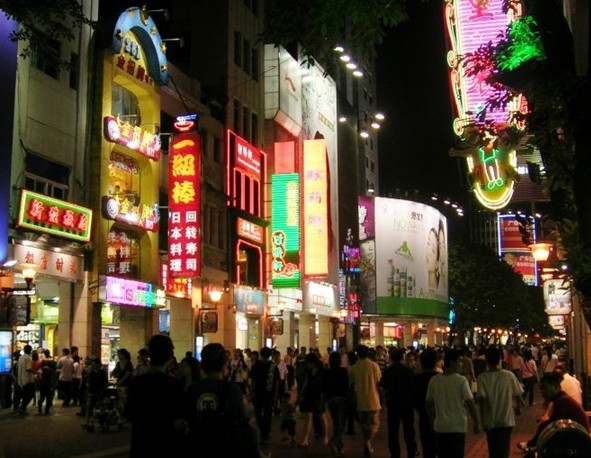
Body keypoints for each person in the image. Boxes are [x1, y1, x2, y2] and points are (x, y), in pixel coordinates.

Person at [186, 342, 265, 457]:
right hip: (224, 444)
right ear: (224, 364)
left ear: (202, 364)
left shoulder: (192, 389)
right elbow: (241, 420)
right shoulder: (231, 389)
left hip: (198, 443)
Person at [123, 334, 187, 457]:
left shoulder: (136, 382)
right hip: (166, 445)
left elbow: (128, 413)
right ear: (170, 356)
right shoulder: (173, 385)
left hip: (141, 444)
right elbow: (179, 421)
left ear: (150, 354)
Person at [517, 373, 590, 456]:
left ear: (555, 386)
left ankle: (531, 445)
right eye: (541, 389)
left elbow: (555, 423)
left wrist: (541, 429)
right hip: (576, 435)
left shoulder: (562, 401)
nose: (543, 392)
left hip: (579, 438)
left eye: (545, 388)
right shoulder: (562, 399)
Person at [426, 348, 481, 458]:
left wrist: (432, 422)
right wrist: (476, 422)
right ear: (452, 362)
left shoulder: (434, 380)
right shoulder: (461, 381)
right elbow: (470, 402)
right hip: (457, 426)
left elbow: (429, 404)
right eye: (459, 361)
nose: (462, 364)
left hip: (441, 426)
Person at [477, 346, 524, 458]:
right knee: (503, 450)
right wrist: (518, 408)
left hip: (490, 420)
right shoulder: (509, 375)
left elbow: (483, 401)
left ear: (486, 360)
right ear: (500, 359)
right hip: (506, 419)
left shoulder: (482, 378)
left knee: (493, 451)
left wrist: (483, 420)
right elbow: (517, 394)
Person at [380, 347, 417, 458]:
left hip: (393, 403)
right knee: (409, 429)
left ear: (391, 358)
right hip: (407, 403)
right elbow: (413, 387)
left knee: (393, 431)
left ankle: (395, 453)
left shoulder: (388, 371)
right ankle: (411, 451)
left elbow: (383, 385)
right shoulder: (408, 371)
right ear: (402, 358)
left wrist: (386, 399)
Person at [349, 344, 382, 457]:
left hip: (360, 400)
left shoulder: (354, 368)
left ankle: (366, 442)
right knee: (375, 423)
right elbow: (378, 382)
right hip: (373, 399)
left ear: (357, 354)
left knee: (363, 425)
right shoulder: (374, 366)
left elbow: (352, 385)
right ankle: (367, 441)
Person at [249, 346, 280, 445]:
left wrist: (251, 392)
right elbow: (277, 381)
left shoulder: (261, 365)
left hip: (264, 393)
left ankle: (264, 433)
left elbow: (253, 381)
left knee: (265, 413)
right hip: (264, 393)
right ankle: (265, 431)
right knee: (262, 413)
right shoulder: (269, 365)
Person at [297, 351, 329, 447]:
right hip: (310, 394)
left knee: (322, 416)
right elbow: (306, 382)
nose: (307, 364)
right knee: (309, 416)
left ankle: (326, 437)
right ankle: (305, 439)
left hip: (320, 395)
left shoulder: (322, 370)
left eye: (309, 362)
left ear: (313, 362)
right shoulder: (308, 371)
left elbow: (325, 384)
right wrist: (301, 393)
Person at [413, 347, 439, 458]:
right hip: (440, 416)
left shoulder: (416, 379)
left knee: (427, 448)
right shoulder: (439, 378)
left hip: (423, 416)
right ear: (436, 362)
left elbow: (414, 399)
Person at [323, 351, 349, 455]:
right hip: (341, 399)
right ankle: (333, 441)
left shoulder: (327, 372)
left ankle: (339, 446)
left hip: (331, 400)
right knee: (342, 424)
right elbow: (346, 386)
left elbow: (324, 386)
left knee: (336, 423)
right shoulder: (343, 371)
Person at [81, 357, 109, 427]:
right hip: (92, 392)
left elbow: (105, 383)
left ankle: (101, 423)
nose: (92, 365)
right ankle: (87, 422)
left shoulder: (102, 373)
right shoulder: (92, 373)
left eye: (94, 363)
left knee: (100, 408)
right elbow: (89, 383)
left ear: (98, 364)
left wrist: (104, 392)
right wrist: (87, 392)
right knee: (89, 408)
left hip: (99, 393)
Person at [16, 344, 36, 415]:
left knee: (24, 394)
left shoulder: (21, 358)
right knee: (30, 394)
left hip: (21, 379)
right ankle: (22, 407)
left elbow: (17, 368)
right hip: (28, 380)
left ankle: (22, 408)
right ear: (30, 351)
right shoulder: (28, 358)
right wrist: (36, 372)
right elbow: (28, 369)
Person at [38, 349, 57, 415]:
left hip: (42, 383)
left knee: (42, 397)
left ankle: (40, 408)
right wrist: (54, 384)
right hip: (49, 383)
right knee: (48, 397)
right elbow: (54, 372)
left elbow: (39, 372)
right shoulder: (52, 362)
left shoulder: (42, 363)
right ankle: (46, 410)